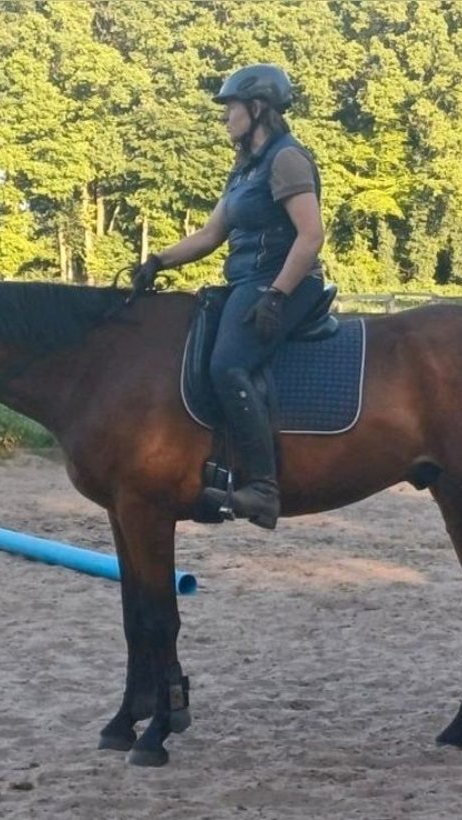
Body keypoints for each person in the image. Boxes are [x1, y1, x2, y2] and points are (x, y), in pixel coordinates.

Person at [131, 63, 326, 530]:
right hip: (246, 282)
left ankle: (262, 487)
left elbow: (311, 235)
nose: (225, 118)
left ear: (257, 109)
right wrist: (158, 260)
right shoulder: (244, 170)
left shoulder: (287, 160)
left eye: (231, 108)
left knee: (227, 364)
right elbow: (212, 233)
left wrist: (278, 294)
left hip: (283, 281)